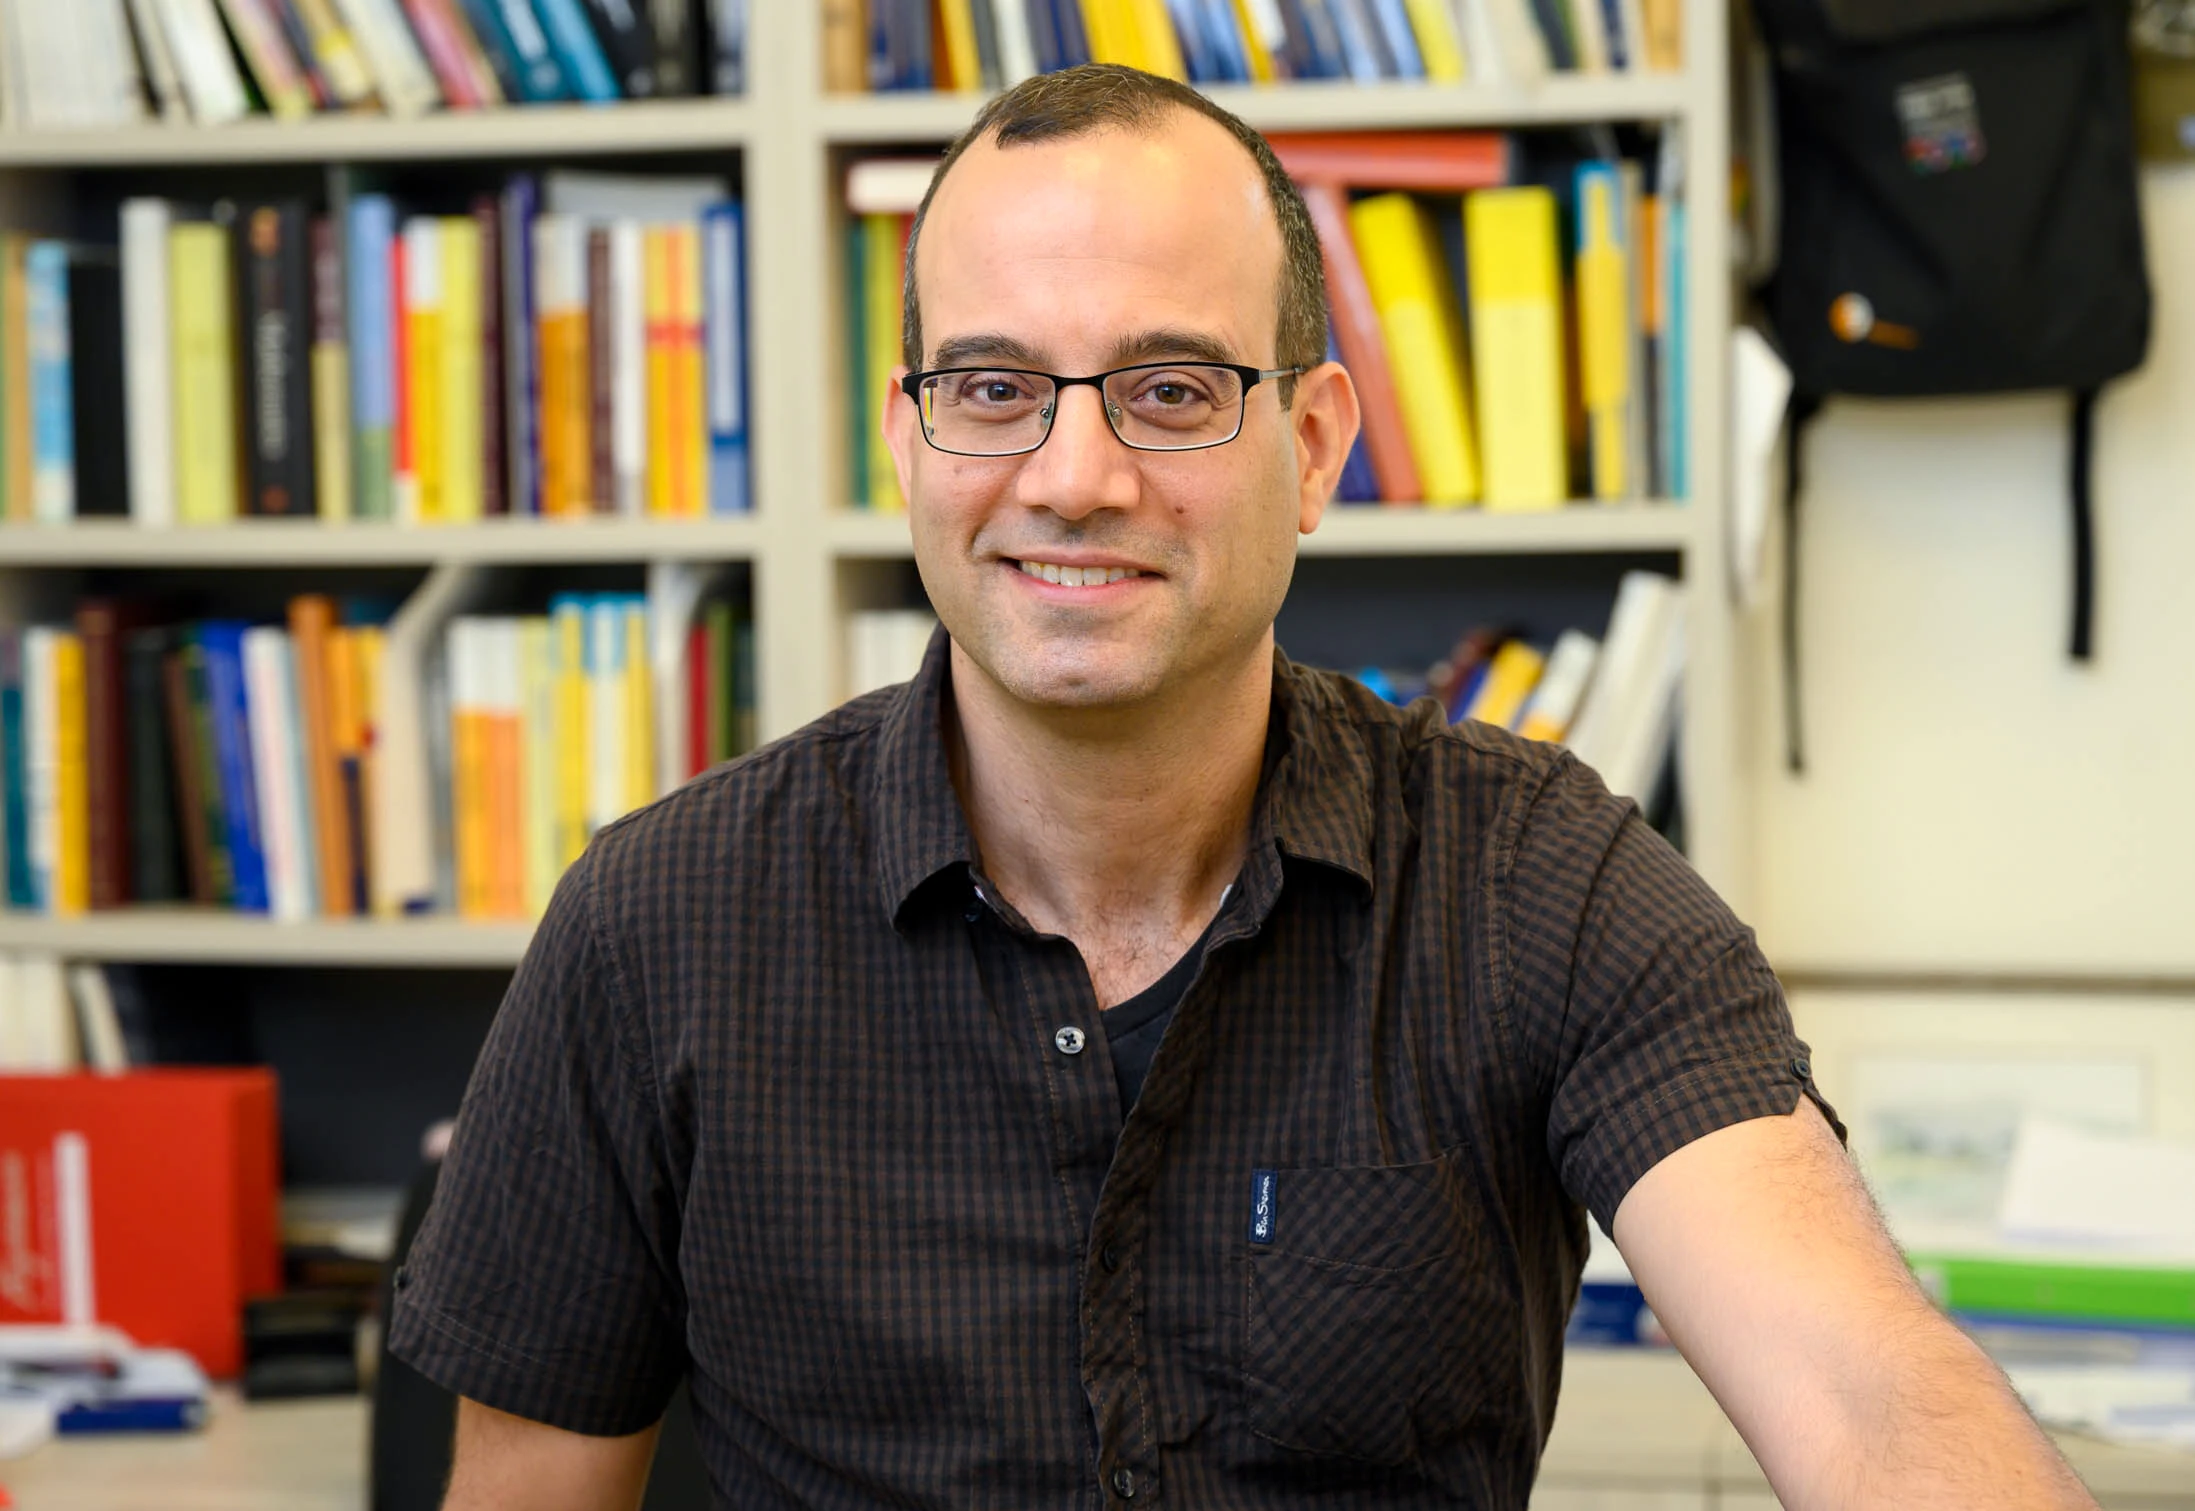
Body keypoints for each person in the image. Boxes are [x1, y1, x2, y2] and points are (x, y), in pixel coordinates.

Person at [389, 64, 2099, 1511]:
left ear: (1317, 446)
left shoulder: (1535, 881)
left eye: (1170, 390)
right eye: (992, 389)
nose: (1073, 476)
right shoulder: (657, 924)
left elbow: (1870, 1396)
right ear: (908, 443)